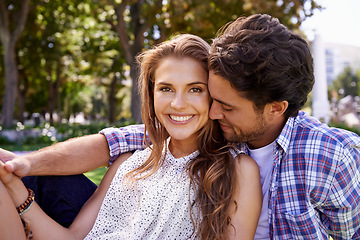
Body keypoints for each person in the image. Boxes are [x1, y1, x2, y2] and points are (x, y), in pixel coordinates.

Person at [2, 13, 360, 239]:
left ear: (275, 109)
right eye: (166, 89)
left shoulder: (327, 158)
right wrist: (22, 167)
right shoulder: (143, 154)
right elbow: (122, 140)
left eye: (203, 94)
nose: (213, 112)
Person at [0, 34, 262, 239]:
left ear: (212, 94)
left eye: (195, 89)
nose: (178, 104)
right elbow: (72, 237)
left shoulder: (237, 169)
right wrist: (16, 190)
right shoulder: (128, 164)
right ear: (151, 94)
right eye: (166, 89)